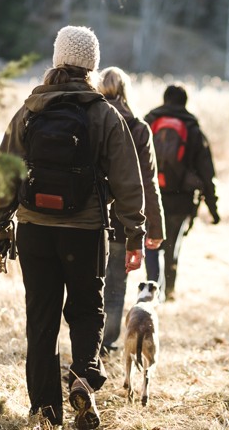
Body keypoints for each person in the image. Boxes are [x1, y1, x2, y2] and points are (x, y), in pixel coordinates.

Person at [0, 26, 146, 430]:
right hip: (85, 230)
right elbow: (129, 181)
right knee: (86, 310)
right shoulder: (104, 114)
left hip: (35, 230)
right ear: (91, 65)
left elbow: (5, 171)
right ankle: (82, 379)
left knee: (40, 320)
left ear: (57, 60)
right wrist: (134, 235)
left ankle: (45, 410)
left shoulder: (30, 109)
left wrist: (1, 224)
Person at [97, 67, 165, 354]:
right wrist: (156, 227)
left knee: (87, 283)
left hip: (88, 217)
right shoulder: (138, 128)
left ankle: (87, 340)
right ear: (126, 90)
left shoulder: (91, 119)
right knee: (114, 285)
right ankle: (107, 341)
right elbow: (148, 183)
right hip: (123, 222)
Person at [143, 84, 220, 301]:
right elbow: (207, 173)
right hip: (181, 199)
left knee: (151, 244)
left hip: (150, 195)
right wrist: (213, 210)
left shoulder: (148, 123)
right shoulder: (193, 129)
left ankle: (152, 290)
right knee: (171, 245)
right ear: (185, 102)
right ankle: (169, 291)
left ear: (164, 99)